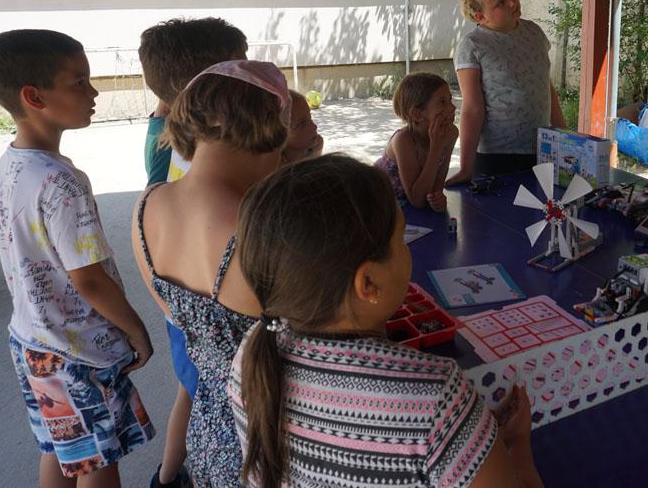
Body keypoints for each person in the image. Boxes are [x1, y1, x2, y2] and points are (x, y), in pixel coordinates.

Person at [228, 154, 543, 488]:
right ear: (368, 283)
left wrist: (466, 436)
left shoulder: (251, 352)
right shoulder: (436, 397)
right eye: (401, 239)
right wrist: (516, 446)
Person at [0, 29, 155, 487]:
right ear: (34, 96)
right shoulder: (62, 182)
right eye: (79, 82)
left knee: (60, 447)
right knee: (98, 460)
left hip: (32, 340)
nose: (93, 92)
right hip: (81, 351)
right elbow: (88, 279)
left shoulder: (11, 165)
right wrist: (136, 330)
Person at [131, 60, 290, 487]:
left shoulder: (148, 205)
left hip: (208, 426)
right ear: (268, 125)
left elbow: (180, 317)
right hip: (268, 430)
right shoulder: (259, 231)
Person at [137, 16, 248, 488]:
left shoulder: (164, 136)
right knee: (211, 400)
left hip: (185, 312)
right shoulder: (220, 156)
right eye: (243, 68)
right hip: (220, 319)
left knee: (193, 391)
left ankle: (167, 477)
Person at [448, 0, 566, 182]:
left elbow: (546, 87)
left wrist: (565, 136)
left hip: (543, 150)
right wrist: (466, 168)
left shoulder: (534, 32)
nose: (512, 2)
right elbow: (472, 108)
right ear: (480, 16)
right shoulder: (473, 46)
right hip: (497, 158)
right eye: (500, 3)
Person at [138, 17, 248, 185]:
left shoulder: (169, 133)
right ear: (206, 87)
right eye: (242, 68)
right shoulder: (168, 146)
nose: (253, 76)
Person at [376, 72, 458, 209]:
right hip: (379, 202)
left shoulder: (451, 134)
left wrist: (436, 199)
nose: (452, 107)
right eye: (442, 102)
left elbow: (436, 187)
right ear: (417, 114)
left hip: (408, 207)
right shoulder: (403, 141)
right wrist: (436, 148)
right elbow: (418, 200)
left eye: (450, 99)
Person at [280, 89, 324, 164]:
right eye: (301, 124)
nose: (314, 126)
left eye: (310, 118)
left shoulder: (315, 145)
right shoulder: (273, 164)